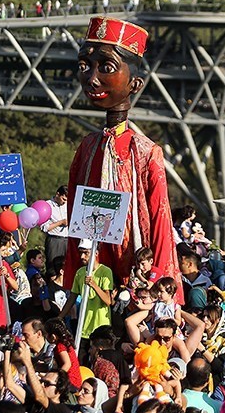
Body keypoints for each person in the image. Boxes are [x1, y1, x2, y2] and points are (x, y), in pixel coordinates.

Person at [65, 16, 181, 303]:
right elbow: (73, 213)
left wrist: (159, 281)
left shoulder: (144, 151)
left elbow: (161, 220)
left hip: (134, 273)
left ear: (135, 83)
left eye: (106, 67)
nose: (92, 79)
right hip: (94, 269)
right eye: (84, 67)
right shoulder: (89, 146)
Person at [40, 186, 68, 264]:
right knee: (53, 266)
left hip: (67, 239)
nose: (64, 202)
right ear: (57, 194)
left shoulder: (67, 205)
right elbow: (44, 227)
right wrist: (60, 222)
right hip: (54, 240)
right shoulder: (47, 206)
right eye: (63, 199)